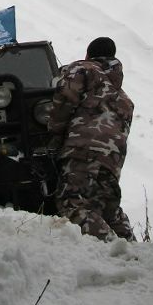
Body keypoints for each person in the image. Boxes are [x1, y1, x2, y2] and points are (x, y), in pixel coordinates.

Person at [47, 36, 135, 241]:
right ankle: (136, 251)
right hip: (112, 160)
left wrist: (53, 136)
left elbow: (63, 104)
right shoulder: (123, 97)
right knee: (108, 208)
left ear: (88, 54)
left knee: (72, 202)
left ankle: (111, 248)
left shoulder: (83, 70)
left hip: (82, 150)